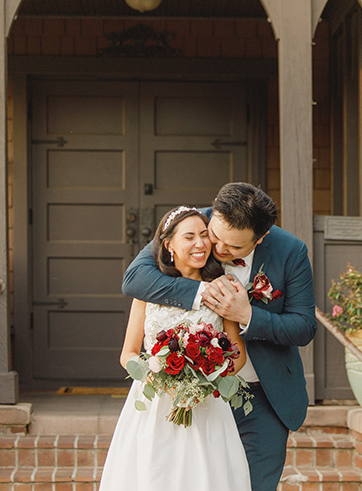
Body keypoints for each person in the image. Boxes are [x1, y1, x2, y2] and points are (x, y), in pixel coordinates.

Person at [123, 182, 316, 491]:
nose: (219, 249)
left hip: (262, 396)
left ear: (261, 237)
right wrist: (204, 292)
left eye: (235, 247)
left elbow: (304, 326)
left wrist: (247, 315)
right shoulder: (190, 226)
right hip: (198, 404)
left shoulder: (290, 251)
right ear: (213, 215)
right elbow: (135, 279)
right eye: (216, 237)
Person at [99, 207, 251, 491]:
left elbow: (237, 355)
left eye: (205, 236)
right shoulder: (148, 290)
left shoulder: (222, 288)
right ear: (168, 245)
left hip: (205, 406)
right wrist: (158, 378)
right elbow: (128, 354)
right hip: (154, 404)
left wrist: (205, 380)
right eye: (189, 237)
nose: (200, 244)